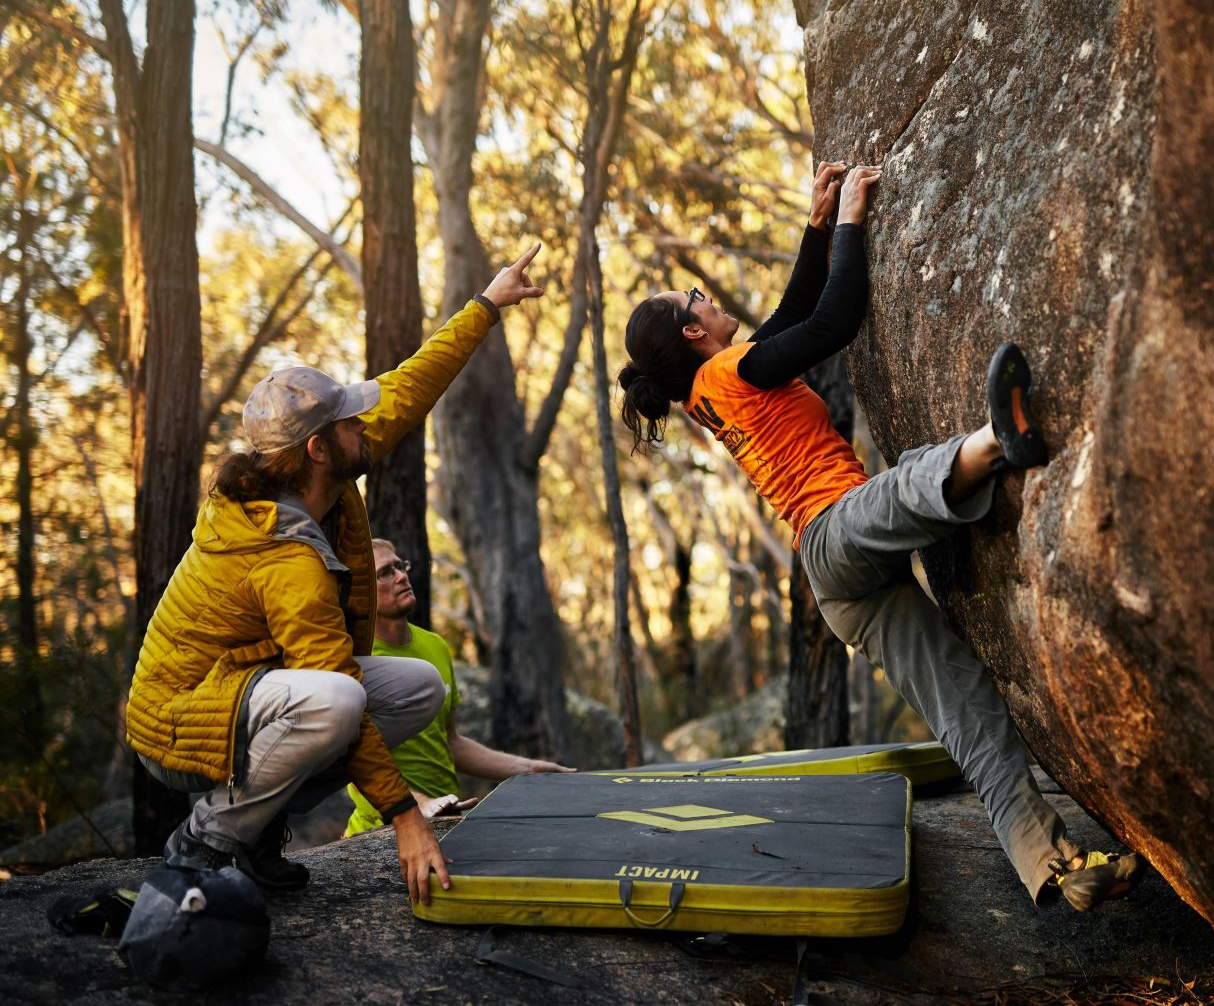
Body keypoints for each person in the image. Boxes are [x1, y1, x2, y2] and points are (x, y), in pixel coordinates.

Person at [616, 164, 1142, 910]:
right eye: (694, 297)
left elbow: (789, 321)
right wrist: (855, 219)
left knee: (962, 701)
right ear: (695, 331)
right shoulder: (735, 370)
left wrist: (817, 224)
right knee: (903, 482)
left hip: (839, 585)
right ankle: (999, 440)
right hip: (838, 535)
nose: (707, 294)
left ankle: (1051, 861)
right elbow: (830, 324)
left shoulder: (713, 388)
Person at [125, 245, 547, 907]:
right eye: (348, 417)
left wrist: (487, 305)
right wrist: (406, 817)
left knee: (418, 687)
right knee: (340, 701)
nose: (364, 422)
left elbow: (408, 387)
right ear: (319, 447)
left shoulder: (323, 469)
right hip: (179, 723)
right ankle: (206, 840)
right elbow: (336, 683)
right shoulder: (279, 552)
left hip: (248, 690)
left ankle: (256, 831)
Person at [343, 538, 574, 836]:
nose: (401, 576)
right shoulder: (355, 659)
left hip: (447, 814)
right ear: (361, 592)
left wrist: (527, 768)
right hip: (385, 824)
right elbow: (351, 760)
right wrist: (417, 805)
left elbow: (452, 742)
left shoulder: (434, 646)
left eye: (401, 566)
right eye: (385, 572)